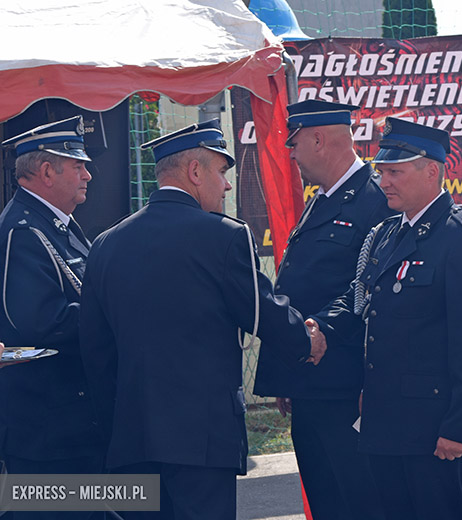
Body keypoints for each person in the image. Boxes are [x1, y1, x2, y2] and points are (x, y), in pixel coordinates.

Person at [79, 119, 326, 520]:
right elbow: (262, 311)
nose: (227, 185)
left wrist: (116, 425)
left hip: (131, 438)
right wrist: (308, 339)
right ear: (195, 172)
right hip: (203, 440)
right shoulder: (223, 235)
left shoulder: (106, 244)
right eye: (221, 171)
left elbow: (95, 350)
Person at [312, 118, 462, 520]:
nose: (385, 182)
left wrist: (460, 426)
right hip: (385, 424)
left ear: (432, 170)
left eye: (396, 172)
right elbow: (361, 299)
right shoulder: (386, 234)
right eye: (382, 171)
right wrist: (319, 326)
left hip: (435, 430)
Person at [253, 100, 391, 520]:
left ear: (318, 139)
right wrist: (288, 366)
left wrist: (322, 330)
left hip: (346, 385)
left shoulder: (375, 198)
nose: (290, 155)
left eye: (294, 144)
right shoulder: (323, 199)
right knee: (325, 499)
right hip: (309, 380)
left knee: (358, 501)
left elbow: (370, 285)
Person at [0, 116, 102, 519]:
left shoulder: (58, 223)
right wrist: (117, 314)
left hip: (72, 424)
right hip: (47, 430)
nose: (88, 175)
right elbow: (41, 322)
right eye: (77, 165)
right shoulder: (21, 231)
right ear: (46, 171)